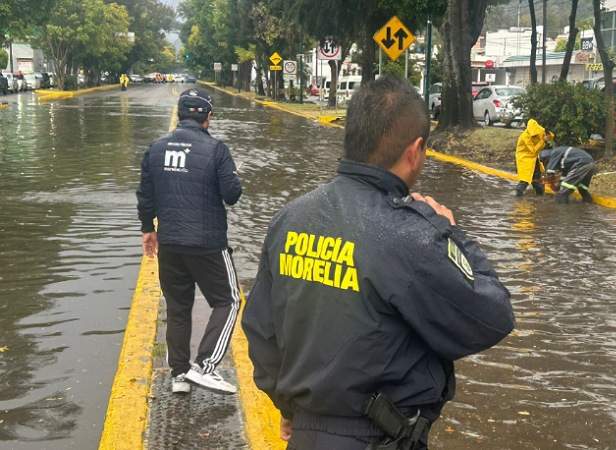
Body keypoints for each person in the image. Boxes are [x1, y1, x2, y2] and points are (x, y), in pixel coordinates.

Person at [243, 76, 515, 450]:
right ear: (415, 150)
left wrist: (289, 409)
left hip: (306, 435)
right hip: (378, 438)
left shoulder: (289, 218)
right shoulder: (410, 235)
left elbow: (261, 330)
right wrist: (450, 232)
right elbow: (493, 315)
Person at [136, 88, 243, 395]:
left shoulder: (156, 148)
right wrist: (235, 176)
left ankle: (179, 375)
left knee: (178, 307)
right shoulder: (216, 150)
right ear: (207, 117)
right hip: (208, 243)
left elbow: (145, 195)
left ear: (181, 114)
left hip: (170, 242)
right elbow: (231, 195)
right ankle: (206, 366)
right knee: (229, 300)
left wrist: (148, 228)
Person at [514, 119, 553, 197]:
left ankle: (540, 194)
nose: (534, 136)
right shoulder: (525, 136)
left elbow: (550, 136)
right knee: (525, 179)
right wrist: (543, 141)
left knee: (537, 178)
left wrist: (549, 135)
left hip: (534, 159)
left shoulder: (540, 130)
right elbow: (533, 150)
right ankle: (518, 194)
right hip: (524, 158)